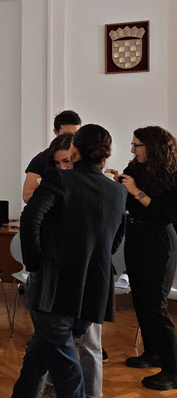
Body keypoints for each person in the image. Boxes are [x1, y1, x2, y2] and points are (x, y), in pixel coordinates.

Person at [12, 124, 127, 398]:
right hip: (92, 289)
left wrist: (34, 263)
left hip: (54, 286)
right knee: (38, 356)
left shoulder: (59, 179)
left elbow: (30, 219)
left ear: (74, 149)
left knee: (66, 370)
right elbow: (115, 239)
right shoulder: (118, 191)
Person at [34, 132, 104, 398]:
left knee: (89, 344)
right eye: (57, 163)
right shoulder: (54, 186)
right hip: (58, 277)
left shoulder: (97, 189)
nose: (63, 167)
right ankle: (54, 391)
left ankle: (92, 394)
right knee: (57, 344)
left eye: (67, 161)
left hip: (88, 278)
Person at [107, 126, 177, 390]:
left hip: (159, 240)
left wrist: (136, 190)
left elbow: (166, 214)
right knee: (141, 300)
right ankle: (153, 353)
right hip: (136, 236)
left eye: (136, 145)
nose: (132, 149)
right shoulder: (135, 167)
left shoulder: (172, 174)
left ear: (153, 147)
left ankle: (173, 370)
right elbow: (127, 202)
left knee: (155, 305)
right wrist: (117, 184)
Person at [23, 110, 82, 203]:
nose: (72, 139)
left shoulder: (87, 157)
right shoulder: (41, 158)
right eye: (67, 134)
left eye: (76, 134)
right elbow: (27, 195)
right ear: (56, 132)